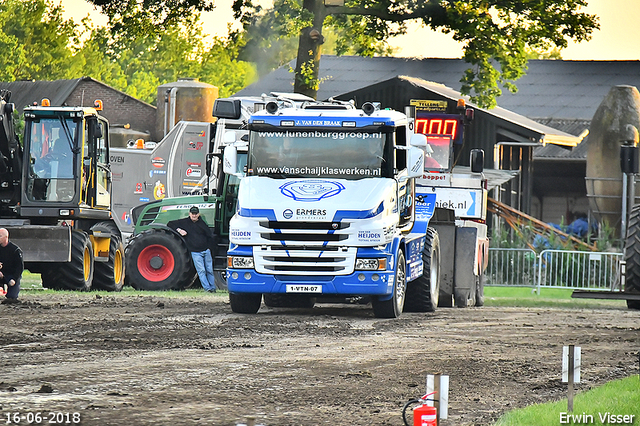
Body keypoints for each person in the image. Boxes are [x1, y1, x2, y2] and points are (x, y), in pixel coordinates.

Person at [169, 206, 217, 292]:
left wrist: (209, 249)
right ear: (189, 214)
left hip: (206, 251)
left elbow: (210, 236)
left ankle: (213, 288)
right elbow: (170, 224)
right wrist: (179, 230)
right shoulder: (184, 223)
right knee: (201, 270)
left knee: (209, 270)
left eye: (196, 214)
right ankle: (207, 288)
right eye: (192, 214)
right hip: (195, 252)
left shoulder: (202, 224)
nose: (194, 216)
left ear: (198, 214)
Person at [0, 228, 24, 304]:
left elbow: (19, 267)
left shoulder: (15, 250)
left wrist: (14, 279)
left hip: (11, 275)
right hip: (1, 274)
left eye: (0, 236)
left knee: (11, 298)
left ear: (6, 237)